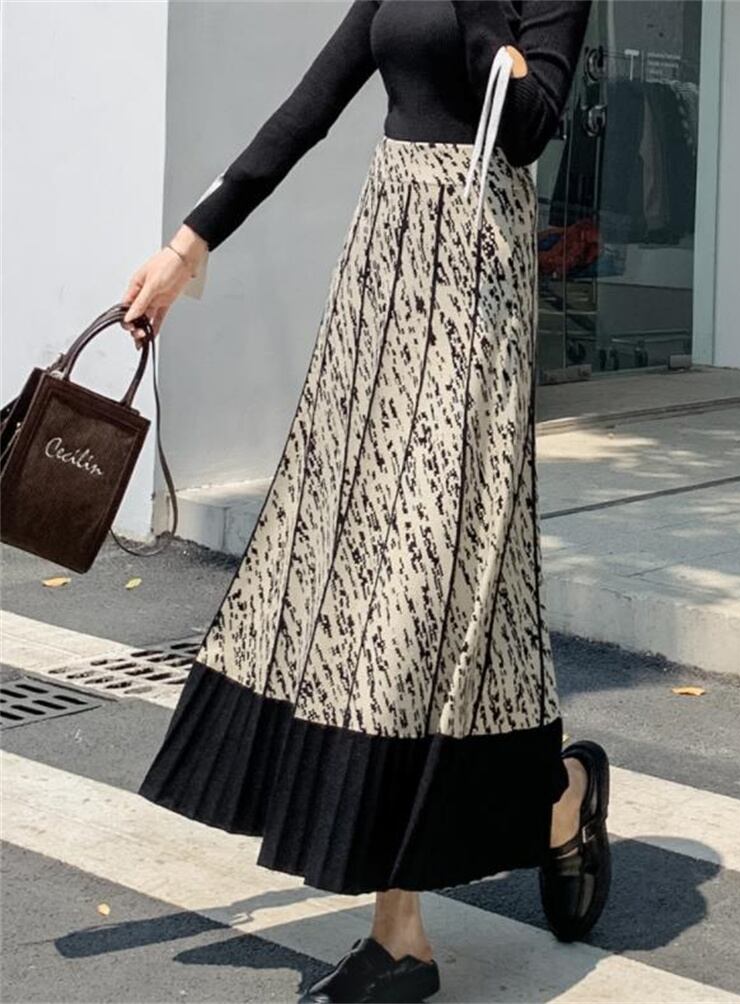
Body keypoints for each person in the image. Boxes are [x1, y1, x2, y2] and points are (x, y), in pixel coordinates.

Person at [124, 3, 611, 1001]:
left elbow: (529, 126)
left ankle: (402, 936)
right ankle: (556, 799)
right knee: (349, 581)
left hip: (474, 291)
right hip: (379, 293)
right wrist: (187, 246)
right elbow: (307, 108)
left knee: (421, 593)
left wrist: (483, 22)